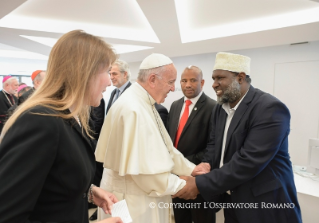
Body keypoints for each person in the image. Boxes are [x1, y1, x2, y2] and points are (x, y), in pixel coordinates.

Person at [0, 30, 122, 223]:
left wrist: (88, 191)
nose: (109, 81)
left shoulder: (73, 117)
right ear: (83, 72)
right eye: (106, 71)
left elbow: (54, 179)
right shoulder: (39, 121)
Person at [174, 52, 302, 223]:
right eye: (213, 78)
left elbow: (248, 161)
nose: (214, 84)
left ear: (240, 77)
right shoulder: (220, 108)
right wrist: (206, 163)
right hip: (233, 200)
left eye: (220, 78)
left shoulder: (269, 108)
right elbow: (214, 145)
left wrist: (199, 184)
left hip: (264, 204)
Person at [95, 53, 208, 223]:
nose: (173, 88)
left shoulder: (144, 102)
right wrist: (184, 186)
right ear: (153, 79)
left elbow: (166, 148)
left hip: (140, 197)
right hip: (132, 202)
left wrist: (191, 169)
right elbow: (145, 175)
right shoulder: (133, 108)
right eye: (171, 82)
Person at [167, 65, 218, 223]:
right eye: (184, 80)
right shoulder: (175, 105)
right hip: (176, 178)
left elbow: (213, 146)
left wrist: (186, 166)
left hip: (198, 179)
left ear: (202, 83)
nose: (187, 84)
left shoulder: (213, 107)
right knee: (180, 218)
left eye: (193, 80)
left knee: (202, 219)